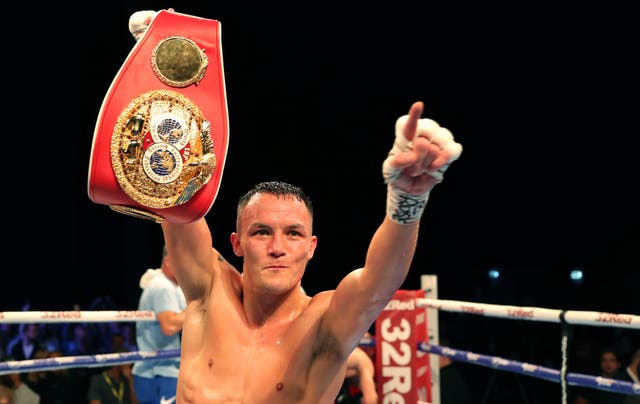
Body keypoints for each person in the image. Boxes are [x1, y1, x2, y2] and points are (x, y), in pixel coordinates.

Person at [123, 10, 461, 402]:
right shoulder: (209, 289)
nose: (277, 247)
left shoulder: (324, 323)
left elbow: (379, 281)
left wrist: (409, 198)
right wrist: (165, 74)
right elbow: (173, 194)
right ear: (237, 243)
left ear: (311, 246)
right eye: (261, 231)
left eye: (293, 233)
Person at [132, 245, 186, 404]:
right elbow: (169, 325)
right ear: (169, 261)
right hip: (159, 371)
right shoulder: (164, 288)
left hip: (157, 370)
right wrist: (198, 307)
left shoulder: (168, 285)